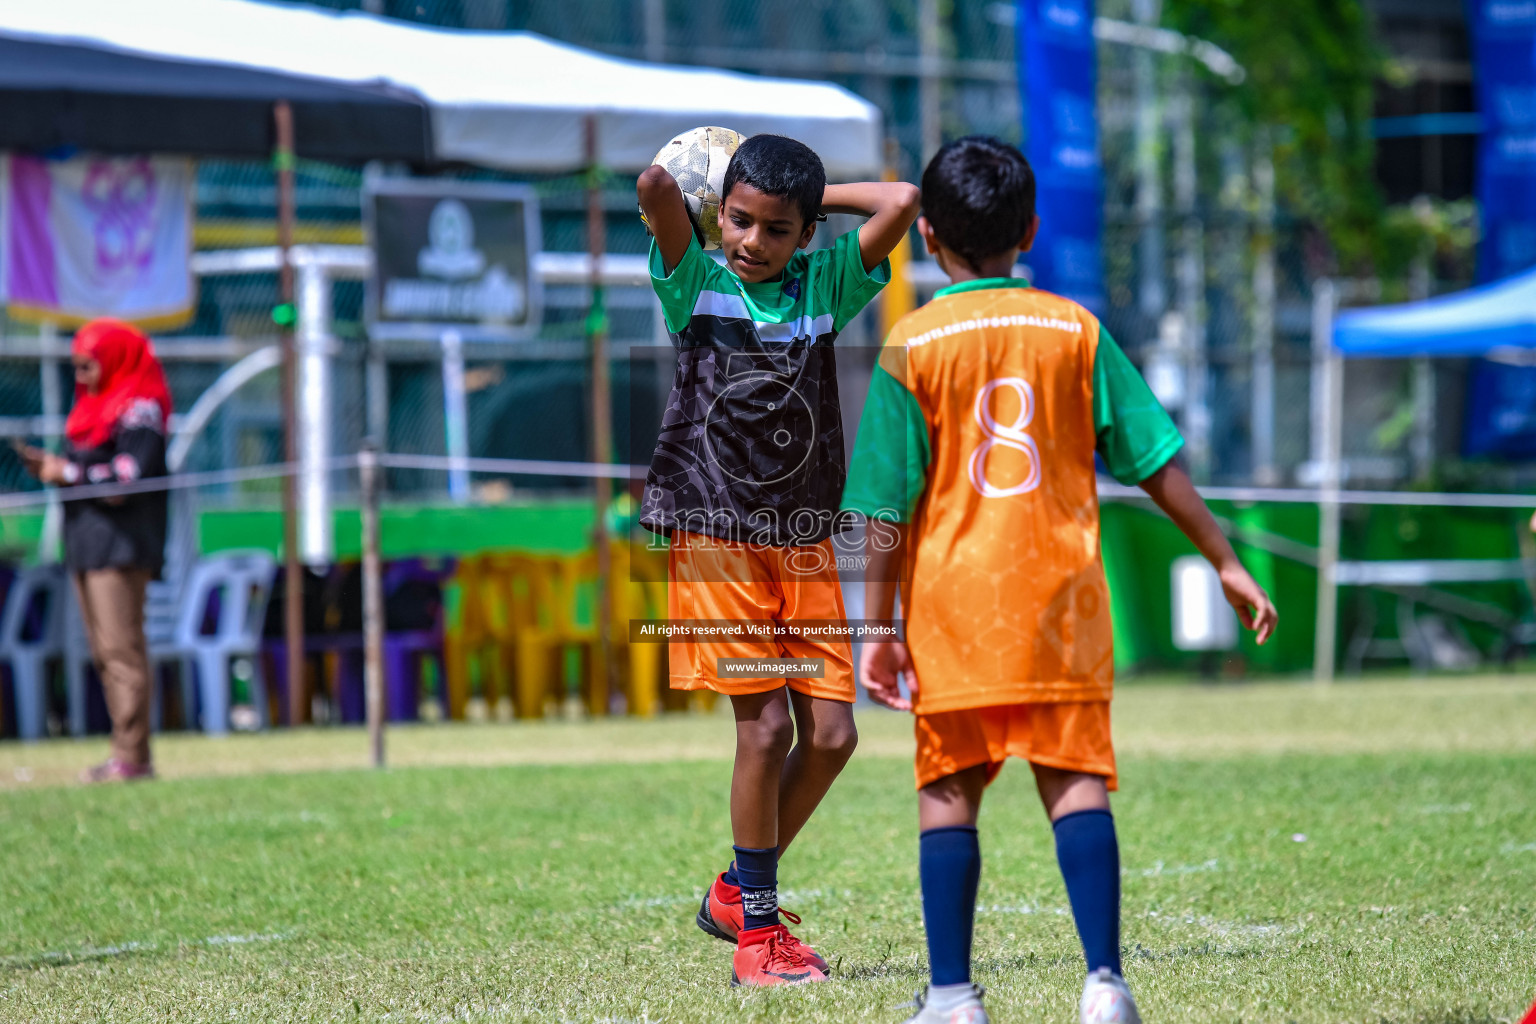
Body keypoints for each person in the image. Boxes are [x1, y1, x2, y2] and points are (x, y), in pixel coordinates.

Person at [842, 137, 1279, 1024]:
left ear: (927, 237)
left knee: (949, 790)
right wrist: (1224, 558)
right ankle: (1105, 984)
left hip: (953, 612)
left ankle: (955, 996)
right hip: (1062, 604)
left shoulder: (912, 343)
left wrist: (876, 625)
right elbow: (1155, 459)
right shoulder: (1075, 329)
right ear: (1031, 230)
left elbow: (884, 509)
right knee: (1074, 781)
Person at [636, 133, 920, 987]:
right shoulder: (696, 280)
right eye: (739, 219)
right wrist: (708, 174)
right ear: (716, 210)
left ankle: (734, 889)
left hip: (801, 540)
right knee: (763, 729)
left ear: (804, 237)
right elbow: (654, 183)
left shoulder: (824, 286)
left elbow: (902, 201)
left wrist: (814, 194)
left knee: (831, 735)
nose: (751, 241)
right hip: (716, 535)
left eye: (774, 228)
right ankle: (758, 936)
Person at [17, 319, 171, 783]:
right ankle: (124, 751)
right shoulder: (92, 406)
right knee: (105, 652)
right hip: (86, 545)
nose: (80, 375)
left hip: (120, 547)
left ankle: (134, 758)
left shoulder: (139, 408)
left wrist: (66, 474)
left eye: (89, 364)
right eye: (76, 366)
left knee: (123, 650)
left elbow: (128, 476)